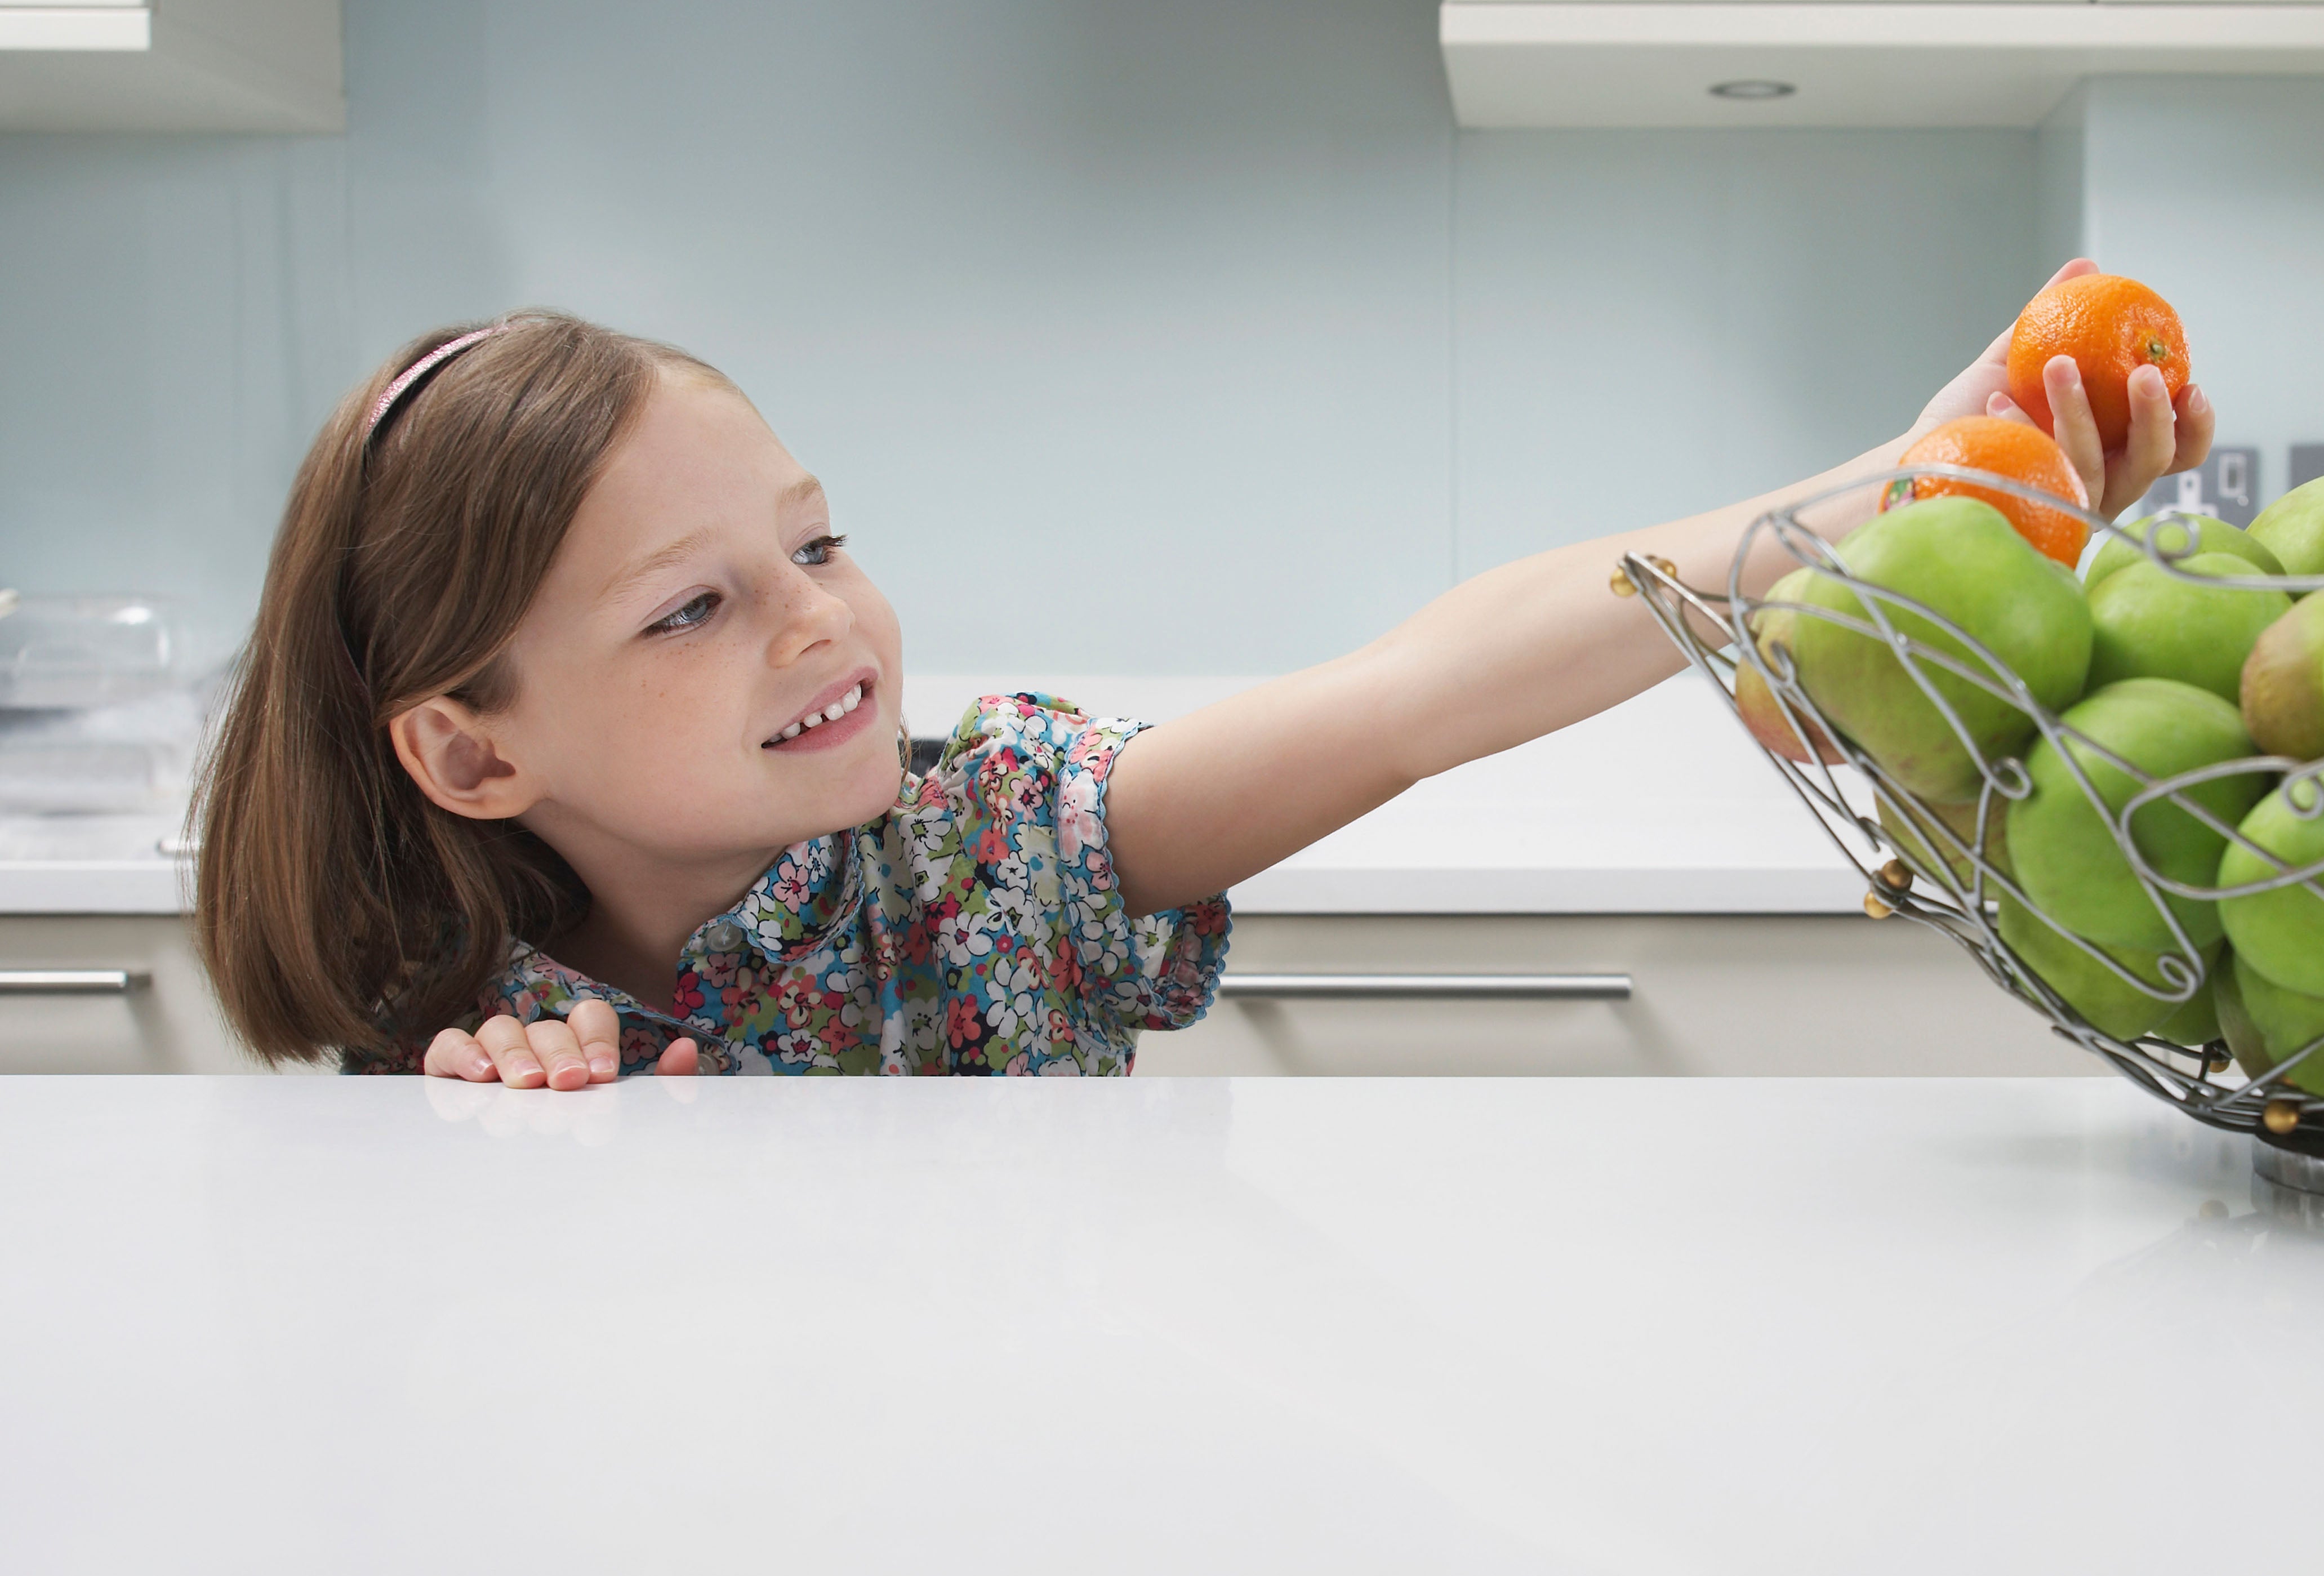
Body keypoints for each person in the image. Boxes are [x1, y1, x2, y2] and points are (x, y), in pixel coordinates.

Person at [194, 260, 2211, 1083]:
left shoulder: (992, 845)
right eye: (692, 608)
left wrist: (1886, 486)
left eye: (813, 544)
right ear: (469, 752)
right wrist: (486, 1157)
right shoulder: (458, 1034)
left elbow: (1426, 688)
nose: (824, 620)